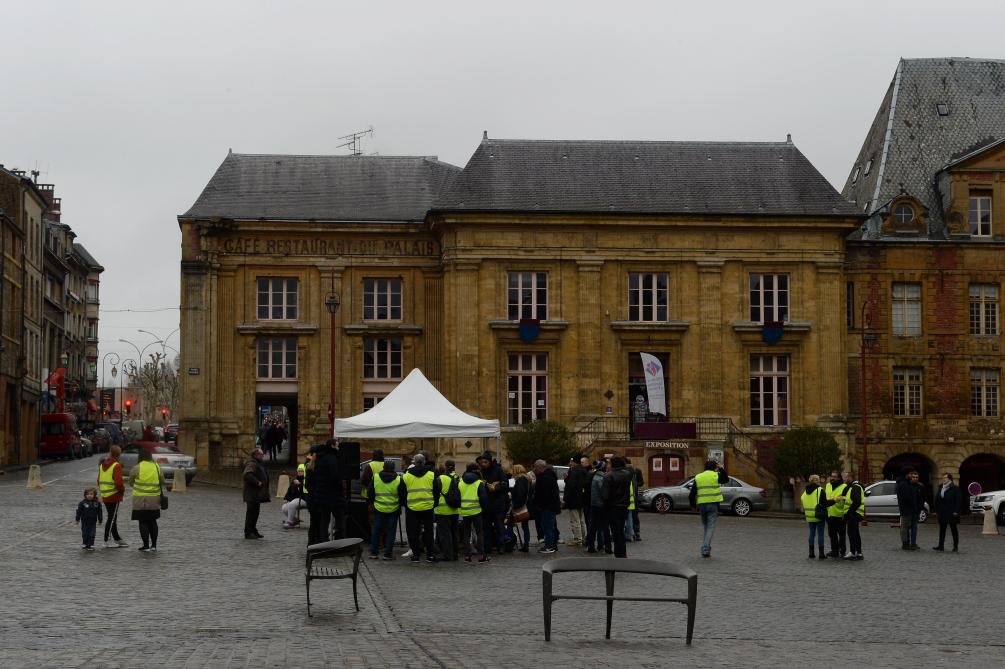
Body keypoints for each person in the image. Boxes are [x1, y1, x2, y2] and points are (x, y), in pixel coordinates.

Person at [306, 439, 346, 545]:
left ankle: (323, 542)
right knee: (339, 521)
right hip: (333, 495)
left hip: (321, 496)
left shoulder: (320, 460)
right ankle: (338, 543)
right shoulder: (332, 459)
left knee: (323, 521)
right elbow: (334, 477)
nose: (338, 448)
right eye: (337, 446)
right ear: (332, 446)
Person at [402, 453, 441, 563]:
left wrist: (406, 504)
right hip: (428, 507)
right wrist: (434, 503)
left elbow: (402, 492)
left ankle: (415, 555)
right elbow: (437, 491)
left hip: (412, 508)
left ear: (414, 462)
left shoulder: (406, 475)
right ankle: (430, 555)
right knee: (429, 532)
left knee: (413, 532)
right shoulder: (431, 474)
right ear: (424, 462)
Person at [688, 459, 728, 558]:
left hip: (702, 505)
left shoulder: (698, 477)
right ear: (715, 467)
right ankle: (705, 549)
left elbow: (692, 494)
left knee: (706, 526)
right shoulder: (716, 475)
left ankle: (707, 548)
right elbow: (726, 479)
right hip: (713, 504)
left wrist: (693, 506)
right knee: (710, 527)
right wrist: (721, 468)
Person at [128, 448, 165, 552]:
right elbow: (162, 480)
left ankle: (146, 545)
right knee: (153, 521)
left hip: (140, 499)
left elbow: (131, 481)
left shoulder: (137, 467)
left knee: (143, 522)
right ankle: (154, 545)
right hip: (155, 498)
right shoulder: (157, 467)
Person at [369, 460, 406, 560]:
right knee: (391, 532)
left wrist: (373, 502)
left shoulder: (376, 477)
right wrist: (400, 505)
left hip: (379, 508)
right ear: (393, 468)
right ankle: (387, 554)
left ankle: (374, 552)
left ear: (383, 467)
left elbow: (370, 493)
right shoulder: (399, 479)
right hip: (393, 509)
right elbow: (403, 496)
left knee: (377, 530)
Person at [476, 451, 508, 554]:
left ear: (489, 461)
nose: (483, 464)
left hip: (498, 503)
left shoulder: (498, 470)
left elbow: (505, 484)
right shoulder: (481, 472)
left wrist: (495, 487)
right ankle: (487, 547)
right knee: (486, 527)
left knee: (499, 526)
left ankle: (501, 546)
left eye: (485, 462)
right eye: (482, 462)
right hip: (486, 504)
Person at [97, 445, 128, 548]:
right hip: (114, 495)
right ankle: (106, 540)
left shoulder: (102, 465)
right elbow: (119, 483)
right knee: (112, 518)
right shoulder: (116, 465)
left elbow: (98, 480)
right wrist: (122, 490)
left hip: (105, 494)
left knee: (113, 517)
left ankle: (117, 538)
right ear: (119, 454)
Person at [601, 456, 633, 558]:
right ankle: (622, 553)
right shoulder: (627, 475)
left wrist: (605, 507)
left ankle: (619, 554)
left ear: (613, 464)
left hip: (612, 507)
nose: (608, 465)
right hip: (624, 506)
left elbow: (605, 496)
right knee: (620, 530)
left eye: (609, 463)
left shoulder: (608, 476)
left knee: (616, 532)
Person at [459, 462, 490, 562]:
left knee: (466, 533)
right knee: (479, 532)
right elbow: (483, 498)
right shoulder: (478, 483)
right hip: (476, 510)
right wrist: (485, 509)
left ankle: (467, 556)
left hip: (464, 511)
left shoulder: (460, 481)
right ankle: (481, 555)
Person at [533, 460, 561, 554]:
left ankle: (549, 546)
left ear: (540, 467)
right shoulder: (550, 476)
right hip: (551, 506)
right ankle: (552, 545)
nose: (534, 469)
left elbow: (544, 495)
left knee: (547, 527)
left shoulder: (544, 478)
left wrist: (540, 505)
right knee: (550, 527)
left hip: (547, 507)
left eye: (535, 467)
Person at [434, 460, 460, 561]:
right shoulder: (458, 478)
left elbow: (436, 493)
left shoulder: (440, 478)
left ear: (445, 467)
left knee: (445, 534)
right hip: (455, 509)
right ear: (453, 467)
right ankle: (455, 554)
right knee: (454, 533)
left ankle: (447, 555)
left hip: (443, 510)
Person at [242, 448, 269, 539]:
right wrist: (258, 482)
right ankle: (248, 532)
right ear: (256, 455)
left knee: (255, 512)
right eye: (262, 454)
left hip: (256, 493)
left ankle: (253, 530)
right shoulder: (252, 463)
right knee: (251, 513)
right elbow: (247, 475)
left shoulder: (257, 463)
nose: (263, 456)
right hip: (251, 493)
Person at [587, 459, 612, 554]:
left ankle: (591, 546)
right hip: (601, 506)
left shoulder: (594, 476)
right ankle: (608, 547)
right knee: (605, 527)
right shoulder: (601, 478)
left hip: (594, 505)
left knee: (592, 526)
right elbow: (604, 493)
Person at [562, 456, 588, 548]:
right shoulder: (584, 471)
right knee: (581, 520)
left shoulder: (574, 472)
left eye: (571, 462)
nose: (570, 463)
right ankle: (583, 537)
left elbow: (570, 487)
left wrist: (565, 499)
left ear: (574, 462)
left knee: (575, 520)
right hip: (582, 498)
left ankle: (578, 539)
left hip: (574, 499)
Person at [800, 475, 827, 559]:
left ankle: (811, 553)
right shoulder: (820, 490)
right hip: (818, 515)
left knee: (811, 534)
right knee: (820, 534)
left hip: (809, 516)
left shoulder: (805, 492)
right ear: (817, 481)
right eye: (819, 480)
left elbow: (802, 500)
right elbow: (825, 503)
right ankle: (821, 554)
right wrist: (834, 500)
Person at [896, 468, 923, 550]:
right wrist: (913, 505)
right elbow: (907, 497)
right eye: (911, 474)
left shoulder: (905, 483)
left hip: (907, 509)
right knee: (904, 527)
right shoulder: (904, 484)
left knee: (906, 527)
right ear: (907, 474)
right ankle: (905, 544)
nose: (912, 476)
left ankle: (907, 543)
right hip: (906, 509)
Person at [824, 470, 849, 558]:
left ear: (839, 478)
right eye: (832, 476)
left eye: (834, 477)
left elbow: (847, 501)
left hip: (840, 515)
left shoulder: (844, 487)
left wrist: (845, 514)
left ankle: (842, 551)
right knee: (832, 534)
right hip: (830, 514)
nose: (832, 478)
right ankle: (834, 551)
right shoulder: (827, 485)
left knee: (841, 535)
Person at [934, 472, 961, 552]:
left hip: (952, 512)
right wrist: (936, 510)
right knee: (942, 529)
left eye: (945, 478)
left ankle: (955, 546)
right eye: (943, 478)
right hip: (942, 512)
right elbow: (937, 500)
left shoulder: (955, 488)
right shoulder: (940, 487)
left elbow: (958, 500)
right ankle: (940, 546)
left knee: (953, 529)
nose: (943, 479)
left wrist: (956, 511)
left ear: (949, 479)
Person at [842, 471, 865, 561]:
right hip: (855, 513)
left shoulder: (855, 487)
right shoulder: (853, 487)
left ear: (850, 477)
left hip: (854, 514)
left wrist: (848, 513)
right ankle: (858, 553)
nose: (845, 479)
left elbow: (857, 501)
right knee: (855, 534)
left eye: (846, 477)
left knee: (852, 534)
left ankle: (853, 552)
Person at [510, 464, 532, 552]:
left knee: (510, 524)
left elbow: (520, 494)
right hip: (526, 506)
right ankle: (526, 544)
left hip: (520, 506)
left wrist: (515, 506)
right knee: (525, 526)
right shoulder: (527, 479)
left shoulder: (520, 480)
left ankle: (510, 542)